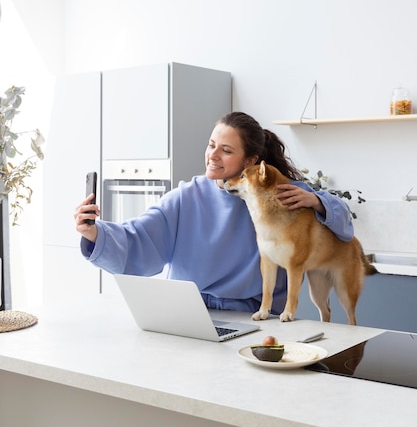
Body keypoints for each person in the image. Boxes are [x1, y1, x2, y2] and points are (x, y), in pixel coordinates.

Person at [74, 112, 353, 315]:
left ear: (250, 161)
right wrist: (94, 233)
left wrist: (317, 201)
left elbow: (344, 226)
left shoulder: (280, 193)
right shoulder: (186, 197)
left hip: (253, 318)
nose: (213, 155)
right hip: (187, 315)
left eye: (226, 150)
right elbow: (137, 239)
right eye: (211, 145)